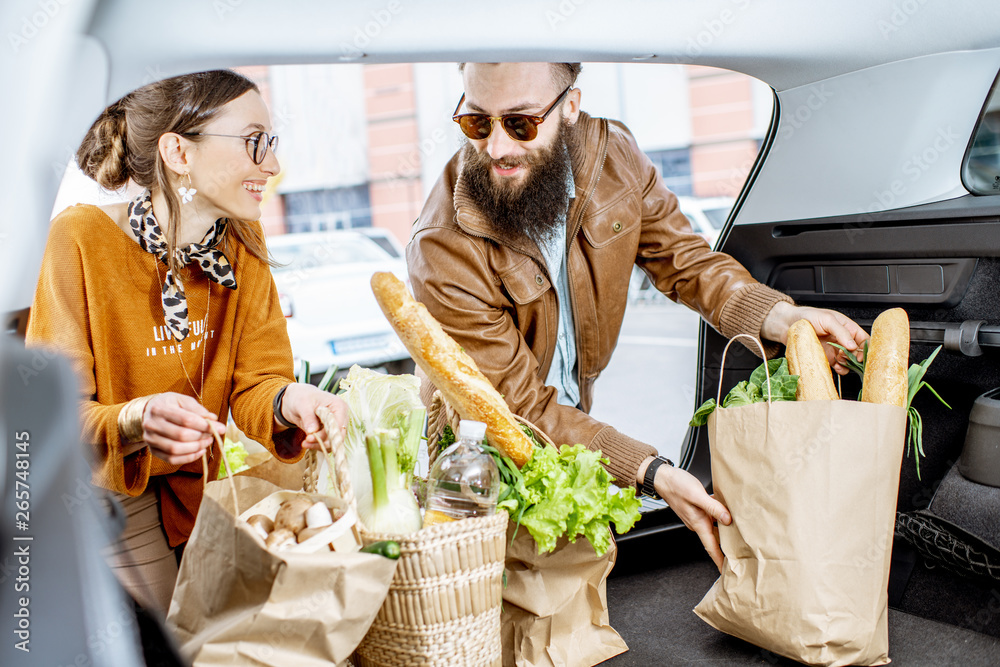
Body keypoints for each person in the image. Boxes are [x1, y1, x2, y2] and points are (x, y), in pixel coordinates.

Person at [407, 62, 869, 569]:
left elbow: (685, 261)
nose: (496, 147)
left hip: (570, 425)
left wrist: (783, 319)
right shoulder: (442, 246)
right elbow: (519, 411)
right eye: (477, 122)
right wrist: (650, 471)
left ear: (570, 106)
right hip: (477, 458)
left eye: (520, 123)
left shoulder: (615, 157)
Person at [25, 70, 347, 616]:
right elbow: (48, 422)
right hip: (111, 498)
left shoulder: (243, 242)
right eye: (254, 142)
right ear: (178, 151)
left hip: (200, 491)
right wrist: (135, 419)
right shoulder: (79, 239)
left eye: (271, 143)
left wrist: (292, 400)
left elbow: (258, 382)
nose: (270, 164)